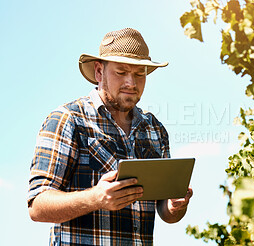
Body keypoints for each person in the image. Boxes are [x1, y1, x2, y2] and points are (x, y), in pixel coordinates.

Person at [28, 28, 193, 245]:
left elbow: (165, 211)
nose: (131, 83)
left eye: (139, 74)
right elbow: (37, 206)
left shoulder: (155, 129)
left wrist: (174, 206)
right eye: (121, 72)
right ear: (99, 71)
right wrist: (95, 198)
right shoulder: (68, 119)